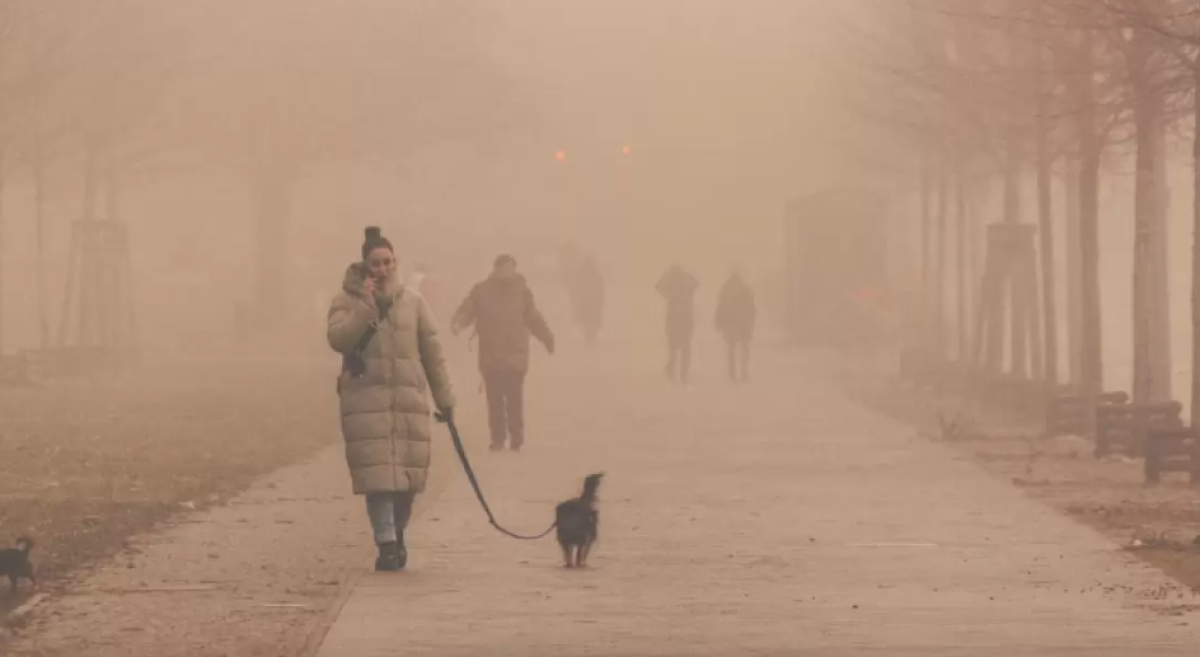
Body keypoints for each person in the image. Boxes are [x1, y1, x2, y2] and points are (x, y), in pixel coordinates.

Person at [327, 226, 455, 572]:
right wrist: (365, 308)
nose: (382, 270)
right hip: (366, 401)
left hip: (407, 401)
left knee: (407, 483)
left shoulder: (414, 302)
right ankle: (385, 544)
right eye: (375, 264)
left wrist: (445, 399)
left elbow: (433, 353)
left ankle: (397, 532)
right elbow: (338, 339)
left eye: (387, 262)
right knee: (380, 481)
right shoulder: (346, 301)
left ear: (394, 263)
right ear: (364, 266)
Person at [451, 254, 555, 451]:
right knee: (494, 399)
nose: (507, 272)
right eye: (503, 268)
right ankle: (498, 438)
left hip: (516, 354)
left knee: (514, 397)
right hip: (490, 354)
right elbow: (468, 309)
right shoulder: (481, 291)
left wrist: (547, 338)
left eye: (510, 268)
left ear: (515, 269)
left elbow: (533, 317)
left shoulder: (523, 292)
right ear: (495, 269)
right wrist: (458, 323)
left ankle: (517, 436)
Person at [655, 263, 699, 383]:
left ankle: (671, 369)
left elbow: (658, 287)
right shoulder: (687, 279)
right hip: (687, 319)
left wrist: (666, 276)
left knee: (672, 347)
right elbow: (696, 283)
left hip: (673, 319)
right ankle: (684, 374)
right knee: (686, 347)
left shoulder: (670, 281)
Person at [715, 267, 757, 382]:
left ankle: (732, 372)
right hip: (743, 323)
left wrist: (718, 322)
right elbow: (751, 306)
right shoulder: (745, 288)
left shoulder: (726, 288)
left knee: (731, 348)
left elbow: (720, 305)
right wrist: (752, 321)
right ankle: (744, 371)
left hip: (730, 323)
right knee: (744, 347)